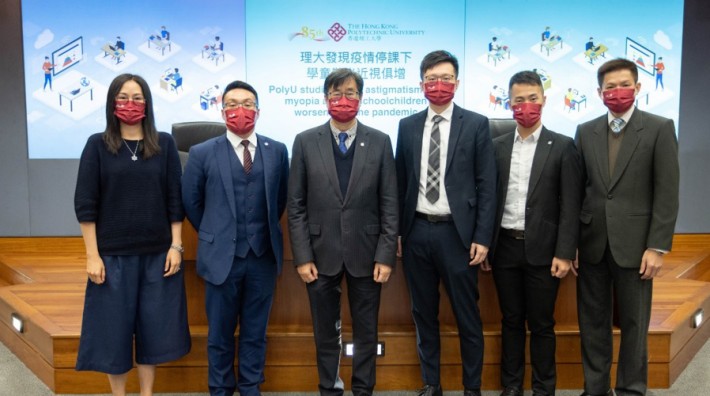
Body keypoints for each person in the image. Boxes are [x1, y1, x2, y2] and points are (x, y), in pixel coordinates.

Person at [74, 73, 191, 395]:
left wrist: (176, 247)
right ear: (112, 103)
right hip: (112, 258)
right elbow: (86, 205)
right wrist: (92, 256)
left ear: (148, 103)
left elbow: (174, 199)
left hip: (157, 255)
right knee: (114, 334)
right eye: (123, 97)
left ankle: (147, 393)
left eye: (137, 97)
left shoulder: (164, 143)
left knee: (153, 332)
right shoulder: (97, 145)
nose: (130, 104)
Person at [287, 68, 398, 396]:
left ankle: (363, 390)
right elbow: (296, 206)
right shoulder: (306, 141)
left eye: (350, 93)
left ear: (360, 98)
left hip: (368, 254)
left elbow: (389, 204)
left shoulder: (380, 141)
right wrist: (302, 256)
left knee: (366, 332)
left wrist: (386, 254)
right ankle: (329, 389)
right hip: (320, 256)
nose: (343, 100)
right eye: (336, 94)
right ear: (325, 99)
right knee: (325, 333)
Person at [574, 58, 679, 396]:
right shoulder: (585, 131)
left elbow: (667, 191)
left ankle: (632, 390)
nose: (616, 92)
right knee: (593, 325)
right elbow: (579, 190)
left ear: (637, 88)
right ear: (599, 92)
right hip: (591, 244)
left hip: (637, 248)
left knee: (634, 325)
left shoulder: (660, 128)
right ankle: (596, 389)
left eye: (623, 85)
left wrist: (657, 246)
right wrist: (571, 243)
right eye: (609, 87)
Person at [395, 50, 496, 396]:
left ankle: (472, 388)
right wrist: (397, 232)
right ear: (421, 83)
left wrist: (483, 237)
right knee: (424, 315)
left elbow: (486, 185)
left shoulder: (477, 124)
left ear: (457, 82)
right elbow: (399, 183)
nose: (439, 85)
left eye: (446, 78)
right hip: (417, 232)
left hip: (459, 235)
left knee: (467, 316)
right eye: (432, 79)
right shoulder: (406, 126)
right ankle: (431, 384)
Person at [182, 81, 289, 396]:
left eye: (246, 103)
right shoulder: (202, 153)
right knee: (219, 334)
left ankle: (251, 386)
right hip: (220, 260)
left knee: (256, 332)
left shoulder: (277, 150)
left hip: (262, 257)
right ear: (222, 109)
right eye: (232, 104)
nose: (239, 110)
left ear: (258, 109)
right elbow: (191, 202)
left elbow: (279, 200)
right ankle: (220, 388)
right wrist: (215, 232)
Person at [483, 70, 582, 396]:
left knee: (542, 324)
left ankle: (544, 389)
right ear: (509, 103)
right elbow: (488, 199)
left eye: (532, 99)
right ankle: (511, 387)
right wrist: (487, 244)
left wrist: (565, 252)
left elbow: (571, 204)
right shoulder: (495, 146)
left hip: (545, 251)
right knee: (510, 321)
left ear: (543, 100)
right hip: (505, 248)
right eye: (519, 100)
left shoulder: (563, 146)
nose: (526, 106)